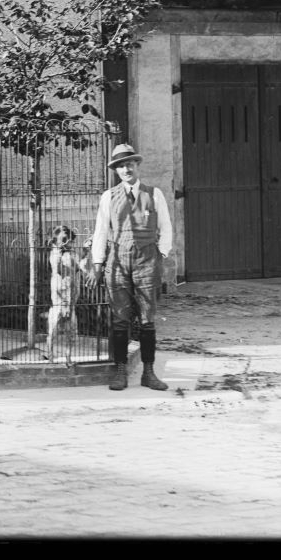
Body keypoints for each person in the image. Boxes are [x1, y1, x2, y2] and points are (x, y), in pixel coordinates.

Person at [90, 142, 173, 391]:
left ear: (137, 165)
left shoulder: (153, 194)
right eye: (121, 166)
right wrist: (97, 263)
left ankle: (148, 373)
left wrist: (161, 254)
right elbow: (101, 231)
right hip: (117, 262)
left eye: (130, 164)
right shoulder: (109, 197)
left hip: (147, 261)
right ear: (116, 170)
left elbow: (166, 228)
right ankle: (120, 371)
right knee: (120, 320)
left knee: (147, 320)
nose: (126, 169)